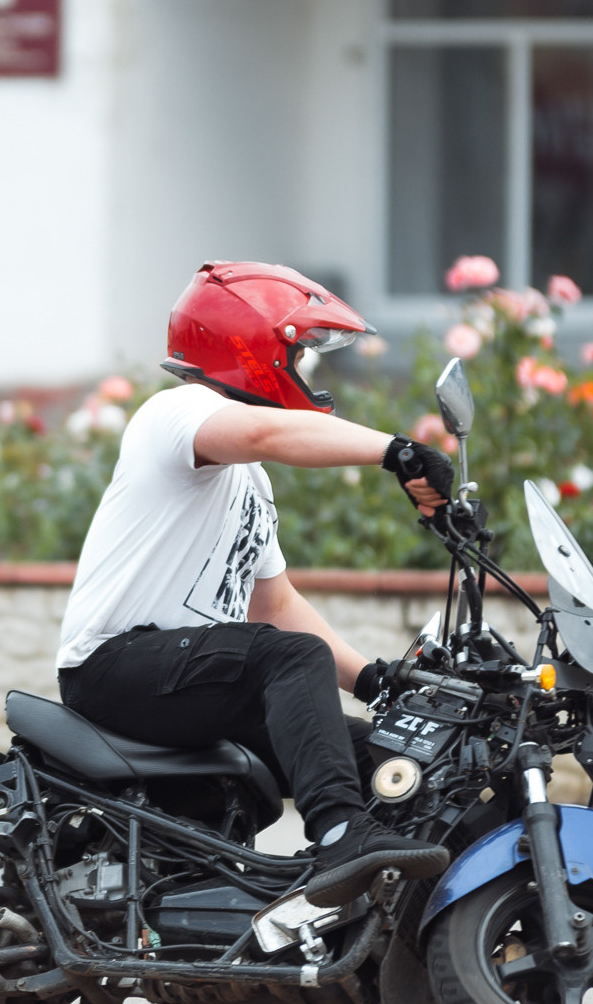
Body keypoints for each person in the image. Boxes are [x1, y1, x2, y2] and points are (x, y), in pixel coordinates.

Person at [53, 262, 458, 908]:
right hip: (113, 666)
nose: (309, 373)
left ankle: (388, 909)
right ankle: (340, 838)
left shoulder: (250, 481)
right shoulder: (178, 412)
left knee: (380, 751)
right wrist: (396, 449)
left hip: (194, 675)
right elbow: (266, 431)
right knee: (288, 657)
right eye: (299, 353)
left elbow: (274, 600)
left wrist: (376, 679)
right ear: (252, 347)